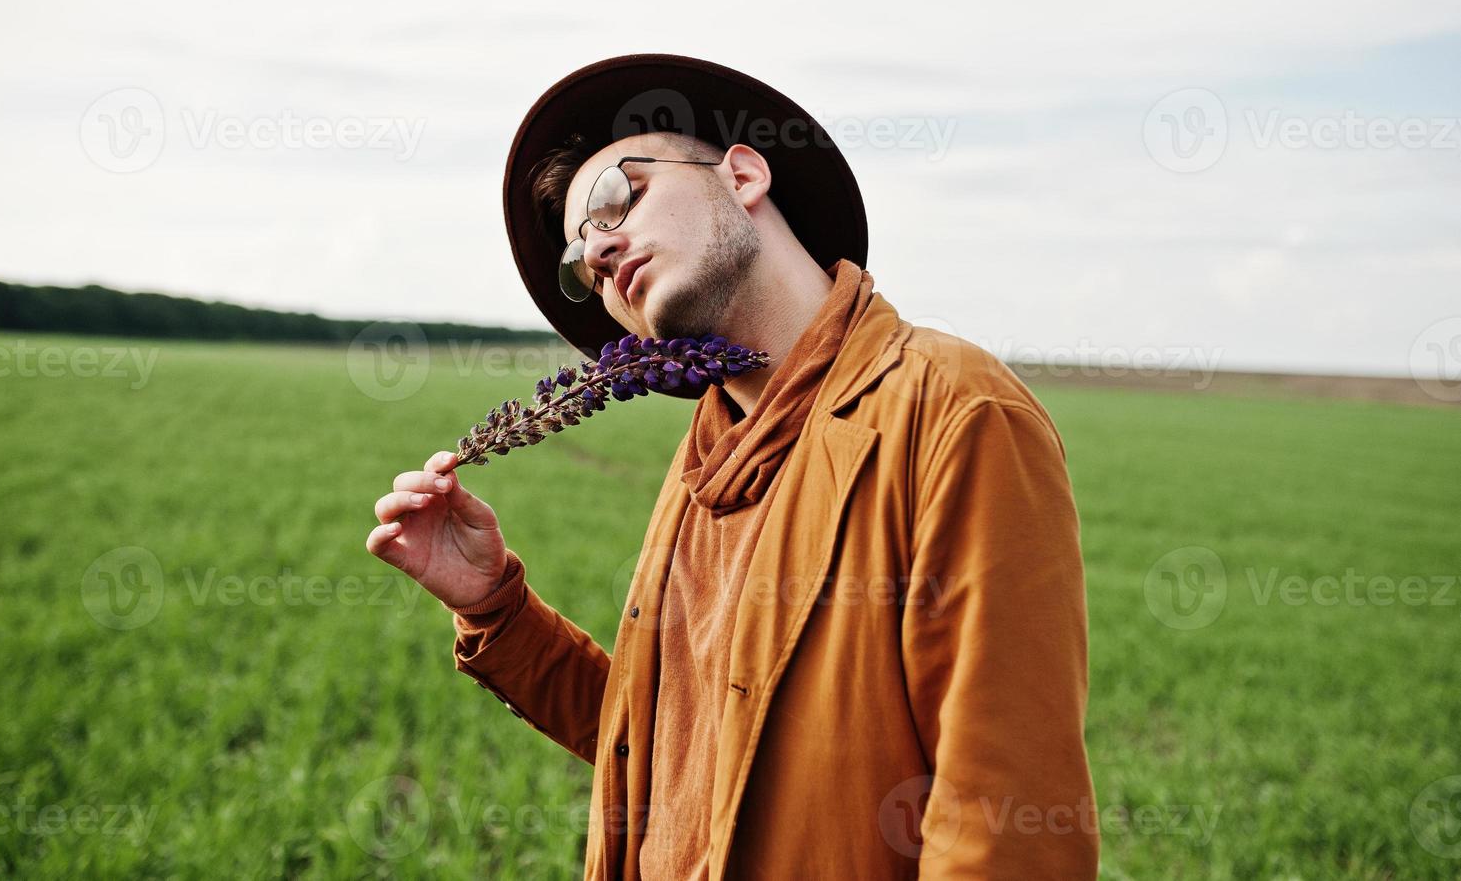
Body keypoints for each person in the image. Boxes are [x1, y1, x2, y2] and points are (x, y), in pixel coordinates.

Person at [366, 54, 1098, 879]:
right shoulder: (704, 465)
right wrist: (497, 609)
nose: (599, 253)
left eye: (617, 197)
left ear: (743, 174)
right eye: (581, 264)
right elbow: (669, 747)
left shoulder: (948, 410)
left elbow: (1003, 822)